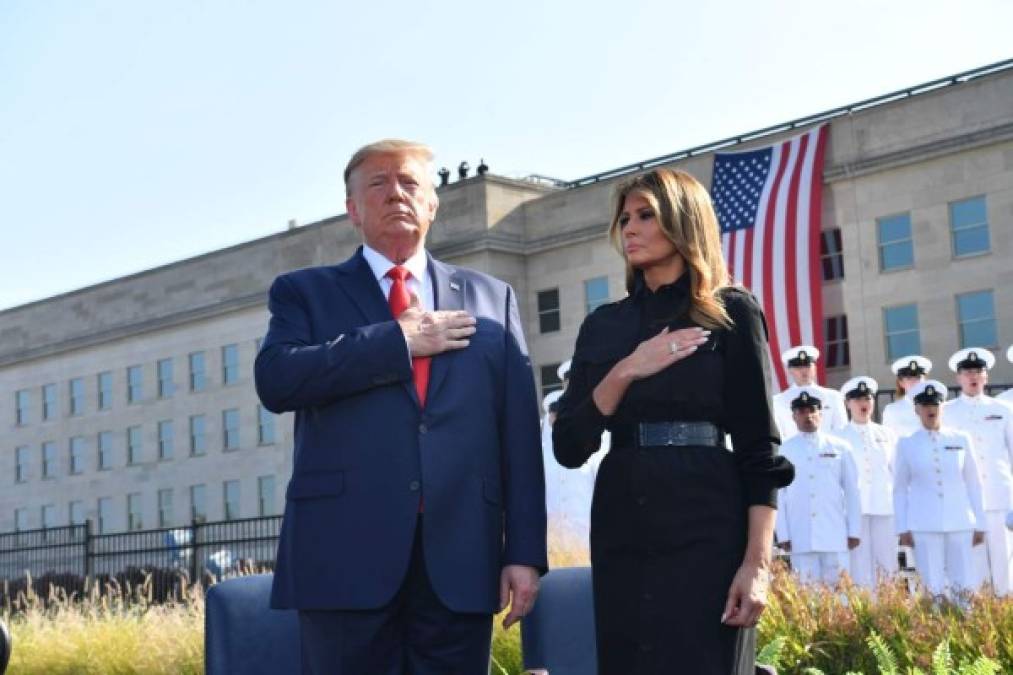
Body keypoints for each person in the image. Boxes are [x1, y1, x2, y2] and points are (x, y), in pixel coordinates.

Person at [255, 139, 547, 674]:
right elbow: (277, 380)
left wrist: (524, 552)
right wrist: (395, 341)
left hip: (461, 559)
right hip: (342, 559)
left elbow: (520, 436)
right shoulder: (304, 293)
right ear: (352, 210)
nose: (396, 195)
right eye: (378, 184)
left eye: (410, 183)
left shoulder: (492, 298)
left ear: (433, 204)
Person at [553, 168, 794, 675]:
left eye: (646, 216)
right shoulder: (604, 324)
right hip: (622, 517)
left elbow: (759, 449)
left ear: (683, 222)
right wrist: (626, 370)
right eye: (624, 219)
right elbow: (570, 445)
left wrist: (757, 565)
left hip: (708, 518)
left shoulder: (731, 312)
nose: (630, 230)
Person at [893, 380, 986, 599]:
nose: (930, 409)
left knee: (964, 583)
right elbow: (899, 489)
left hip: (960, 522)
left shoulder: (961, 439)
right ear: (916, 409)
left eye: (934, 404)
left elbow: (974, 483)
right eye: (925, 405)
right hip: (924, 524)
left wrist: (980, 522)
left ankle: (965, 628)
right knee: (931, 585)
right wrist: (903, 527)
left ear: (942, 406)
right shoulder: (907, 444)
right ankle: (934, 630)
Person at [943, 348, 1013, 595]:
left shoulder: (1003, 409)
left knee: (1005, 561)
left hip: (999, 496)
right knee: (974, 564)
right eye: (967, 372)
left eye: (978, 371)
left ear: (986, 376)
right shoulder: (947, 412)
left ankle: (1006, 616)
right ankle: (980, 620)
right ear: (958, 378)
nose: (973, 376)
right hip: (965, 500)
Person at [775, 389, 862, 585]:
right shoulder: (785, 449)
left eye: (813, 411)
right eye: (802, 412)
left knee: (841, 594)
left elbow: (852, 491)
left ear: (821, 414)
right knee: (806, 593)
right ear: (794, 417)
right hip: (801, 534)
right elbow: (780, 494)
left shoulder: (840, 447)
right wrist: (783, 532)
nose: (808, 416)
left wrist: (854, 530)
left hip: (835, 532)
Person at [835, 376, 899, 588]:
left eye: (868, 398)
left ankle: (890, 611)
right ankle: (865, 611)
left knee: (887, 564)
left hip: (884, 506)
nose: (864, 404)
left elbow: (896, 472)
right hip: (855, 510)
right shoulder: (839, 437)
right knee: (859, 566)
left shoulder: (887, 434)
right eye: (858, 399)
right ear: (847, 403)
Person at [771, 346, 848, 440]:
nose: (804, 370)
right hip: (792, 452)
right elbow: (779, 436)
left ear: (815, 367)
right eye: (798, 367)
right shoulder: (778, 401)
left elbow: (841, 431)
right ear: (790, 370)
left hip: (828, 452)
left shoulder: (833, 397)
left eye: (807, 366)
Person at [881, 355, 932, 438]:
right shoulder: (892, 411)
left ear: (925, 380)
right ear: (901, 383)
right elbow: (888, 442)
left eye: (918, 377)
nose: (914, 382)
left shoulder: (937, 407)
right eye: (909, 378)